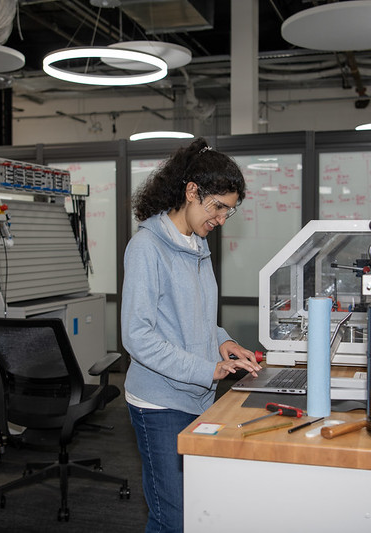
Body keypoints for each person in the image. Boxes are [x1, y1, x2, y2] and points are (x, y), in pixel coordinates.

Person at [121, 138, 262, 533]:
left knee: (195, 508)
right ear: (191, 192)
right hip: (159, 402)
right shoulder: (147, 247)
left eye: (228, 211)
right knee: (173, 517)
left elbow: (195, 318)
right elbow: (137, 335)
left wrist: (223, 341)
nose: (221, 219)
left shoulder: (197, 244)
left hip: (196, 396)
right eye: (217, 207)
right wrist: (207, 369)